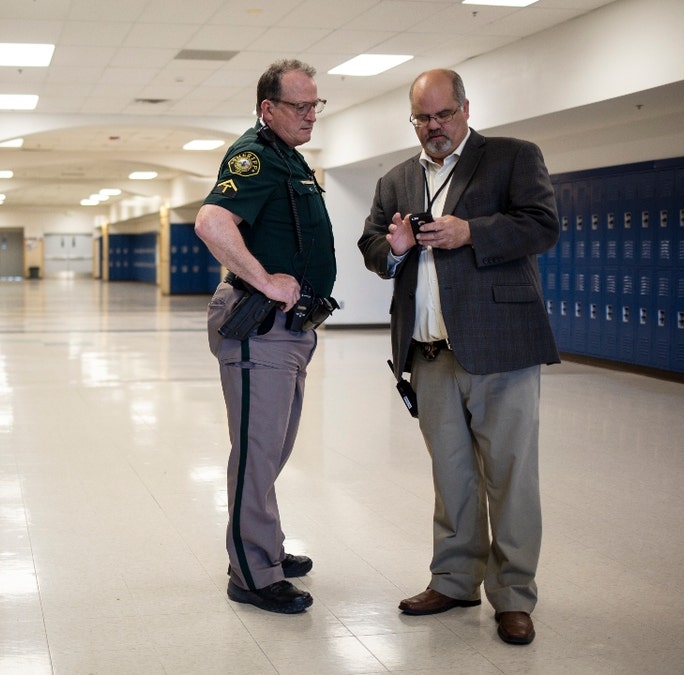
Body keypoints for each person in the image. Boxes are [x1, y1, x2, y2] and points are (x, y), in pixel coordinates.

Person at [357, 69, 560, 644]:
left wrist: (471, 231)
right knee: (452, 476)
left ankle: (514, 594)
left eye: (443, 115)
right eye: (422, 118)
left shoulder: (512, 157)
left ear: (466, 109)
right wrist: (391, 250)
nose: (433, 127)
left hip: (501, 347)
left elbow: (542, 225)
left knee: (511, 476)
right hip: (429, 354)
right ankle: (453, 580)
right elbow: (372, 243)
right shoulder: (398, 177)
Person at [195, 59, 337, 615]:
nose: (310, 115)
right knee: (256, 453)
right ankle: (252, 572)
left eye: (315, 105)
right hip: (263, 328)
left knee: (271, 450)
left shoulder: (287, 158)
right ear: (267, 109)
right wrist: (266, 280)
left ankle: (266, 548)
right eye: (299, 106)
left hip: (291, 331)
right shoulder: (254, 154)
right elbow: (211, 222)